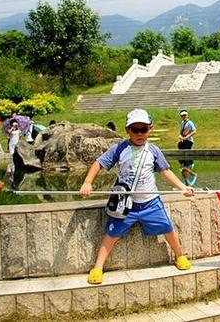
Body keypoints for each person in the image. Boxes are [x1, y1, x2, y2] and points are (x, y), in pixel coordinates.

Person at [79, 108, 195, 285]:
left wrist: (182, 187)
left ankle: (179, 255)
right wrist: (88, 182)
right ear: (128, 130)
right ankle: (98, 267)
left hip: (150, 202)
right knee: (111, 234)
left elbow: (165, 172)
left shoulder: (153, 150)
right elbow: (99, 163)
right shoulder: (120, 148)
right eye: (135, 129)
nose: (140, 133)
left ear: (150, 129)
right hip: (125, 205)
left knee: (168, 228)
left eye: (144, 129)